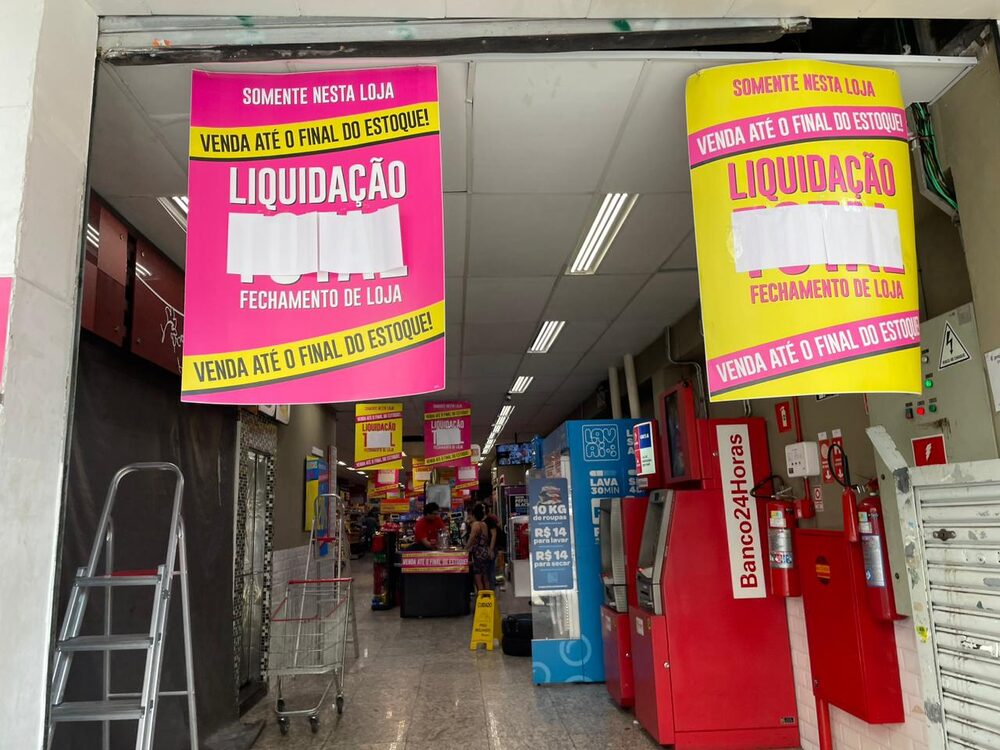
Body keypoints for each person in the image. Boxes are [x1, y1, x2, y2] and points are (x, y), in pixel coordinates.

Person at [465, 504, 493, 592]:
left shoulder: (475, 524)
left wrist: (465, 548)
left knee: (478, 578)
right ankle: (488, 598)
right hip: (484, 552)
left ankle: (481, 601)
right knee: (485, 578)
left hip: (478, 554)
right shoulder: (484, 524)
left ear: (473, 515)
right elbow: (487, 539)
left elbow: (472, 538)